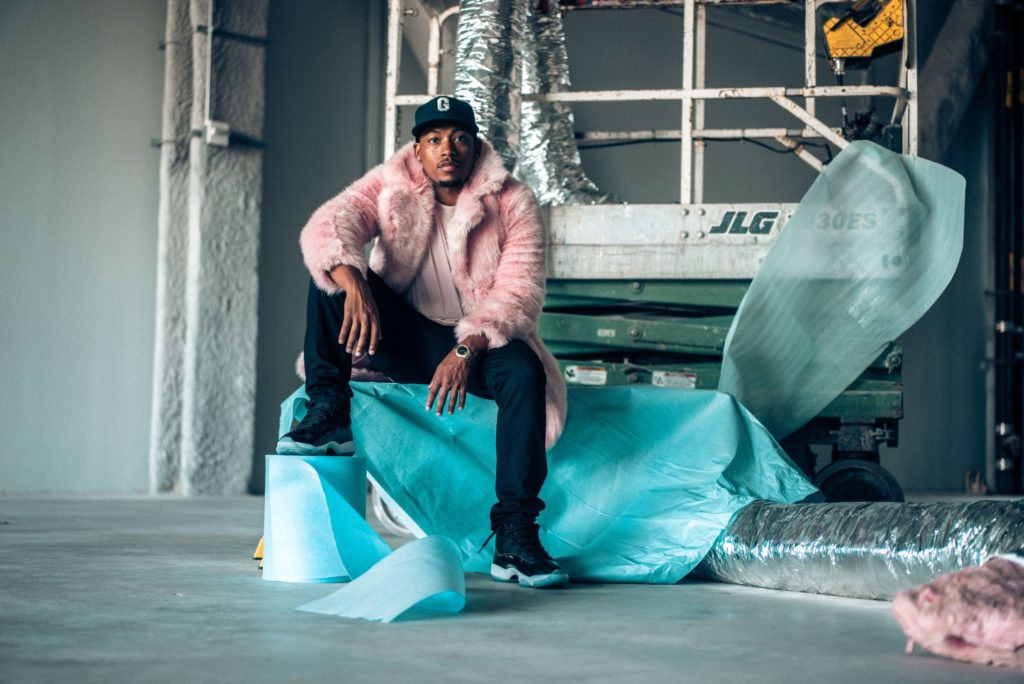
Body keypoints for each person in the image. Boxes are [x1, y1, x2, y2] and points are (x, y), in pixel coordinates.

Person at [278, 95, 569, 589]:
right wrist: (355, 285)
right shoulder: (394, 183)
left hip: (479, 343)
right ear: (418, 149)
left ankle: (515, 535)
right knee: (330, 271)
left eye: (458, 138)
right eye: (433, 140)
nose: (446, 149)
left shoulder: (512, 200)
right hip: (401, 334)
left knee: (523, 368)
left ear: (475, 146)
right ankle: (329, 410)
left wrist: (465, 347)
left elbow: (518, 293)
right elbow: (331, 222)